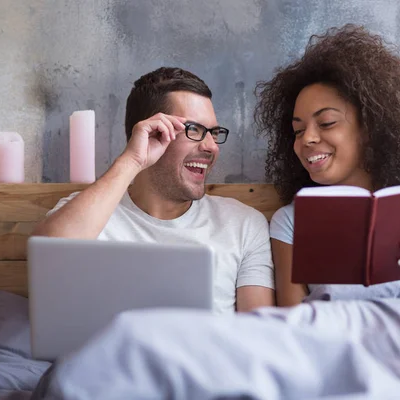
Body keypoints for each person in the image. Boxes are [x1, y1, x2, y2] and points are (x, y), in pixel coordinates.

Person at [254, 25, 400, 348]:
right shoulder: (290, 222)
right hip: (336, 363)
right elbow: (294, 336)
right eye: (298, 131)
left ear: (371, 128)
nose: (308, 139)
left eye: (326, 123)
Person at [32, 67, 275, 314]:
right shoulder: (87, 214)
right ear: (151, 133)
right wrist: (132, 160)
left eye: (213, 133)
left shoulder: (243, 224)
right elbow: (46, 261)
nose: (211, 146)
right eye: (194, 130)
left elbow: (256, 334)